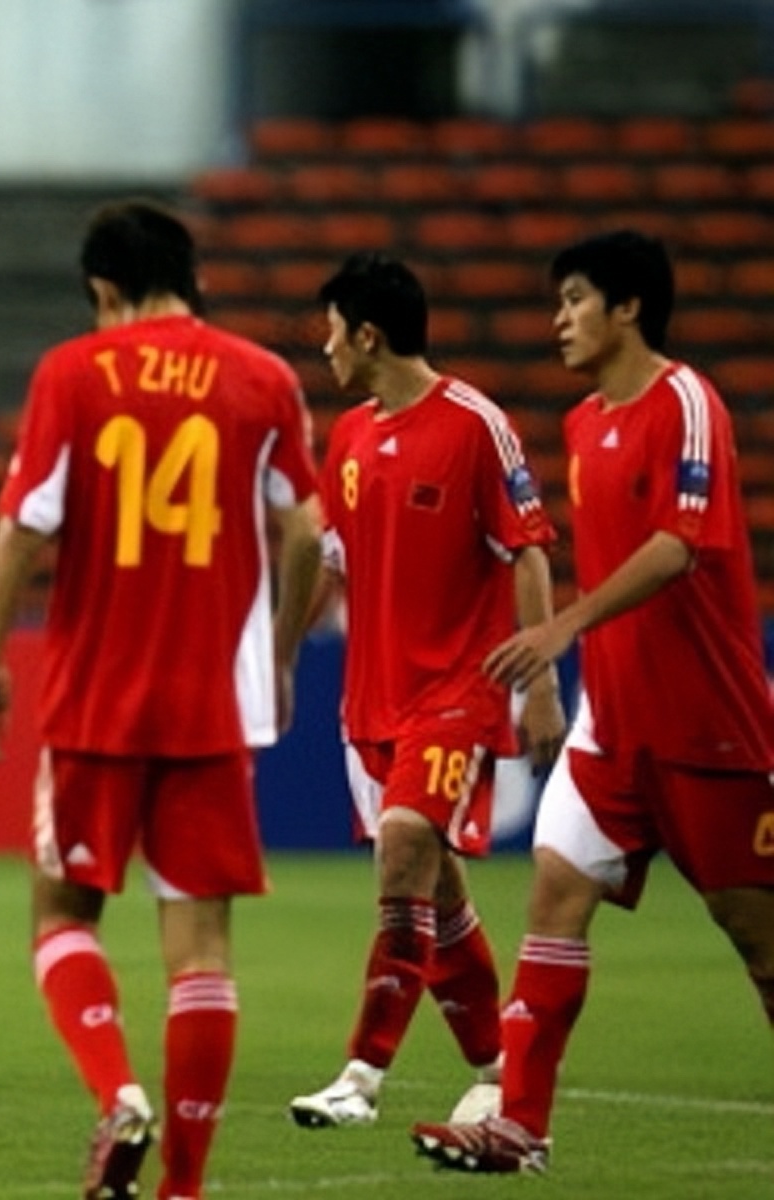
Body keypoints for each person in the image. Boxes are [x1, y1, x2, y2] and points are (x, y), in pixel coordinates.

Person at [0, 202, 322, 1200]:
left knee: (59, 915)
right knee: (199, 949)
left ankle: (118, 1091)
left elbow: (23, 527)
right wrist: (281, 653)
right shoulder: (263, 378)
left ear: (103, 291)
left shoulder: (71, 374)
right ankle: (184, 1187)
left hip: (92, 698)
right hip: (208, 702)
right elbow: (304, 531)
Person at [411, 231, 774, 1173]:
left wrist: (563, 629)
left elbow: (679, 543)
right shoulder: (580, 425)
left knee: (758, 937)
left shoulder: (685, 402)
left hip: (712, 728)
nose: (557, 319)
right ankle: (520, 1128)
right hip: (613, 730)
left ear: (628, 309)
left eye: (574, 298)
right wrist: (564, 670)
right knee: (556, 892)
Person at [287, 253, 563, 1132]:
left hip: (458, 690)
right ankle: (495, 1067)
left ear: (367, 334)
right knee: (435, 889)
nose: (323, 344)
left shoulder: (476, 423)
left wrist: (542, 683)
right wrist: (278, 641)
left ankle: (361, 1076)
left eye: (330, 326)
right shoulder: (352, 438)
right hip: (372, 701)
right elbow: (330, 559)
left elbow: (526, 546)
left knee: (403, 845)